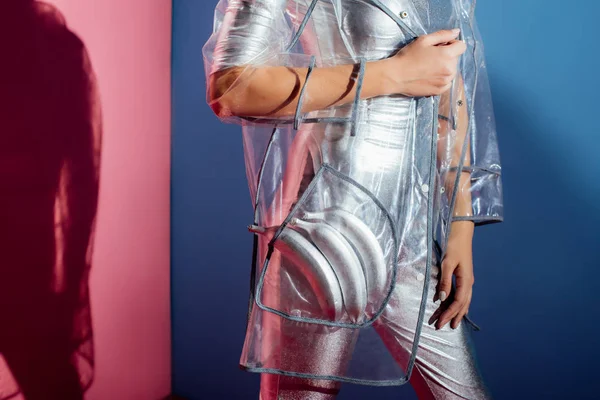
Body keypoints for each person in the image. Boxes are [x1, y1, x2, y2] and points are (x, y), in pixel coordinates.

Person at [203, 0, 503, 399]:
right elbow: (232, 88)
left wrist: (460, 225)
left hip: (411, 236)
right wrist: (392, 74)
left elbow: (447, 81)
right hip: (323, 227)